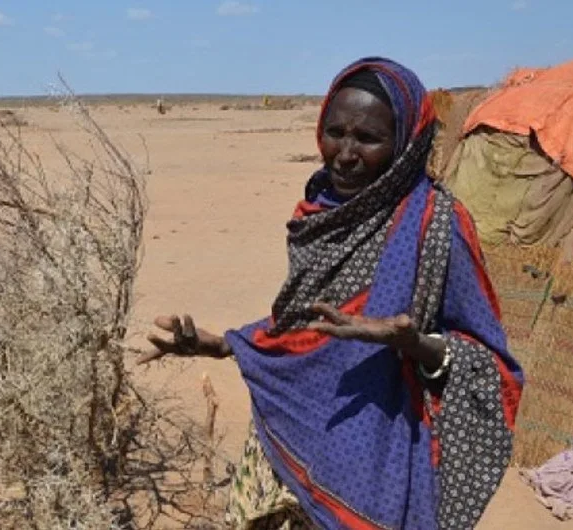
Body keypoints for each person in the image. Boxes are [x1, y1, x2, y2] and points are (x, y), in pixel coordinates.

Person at [139, 57, 525, 529]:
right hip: (285, 439)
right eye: (335, 132)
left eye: (367, 138)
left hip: (373, 457)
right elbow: (303, 328)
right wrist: (222, 346)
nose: (344, 152)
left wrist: (413, 343)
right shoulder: (320, 213)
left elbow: (493, 367)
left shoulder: (438, 224)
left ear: (404, 143)